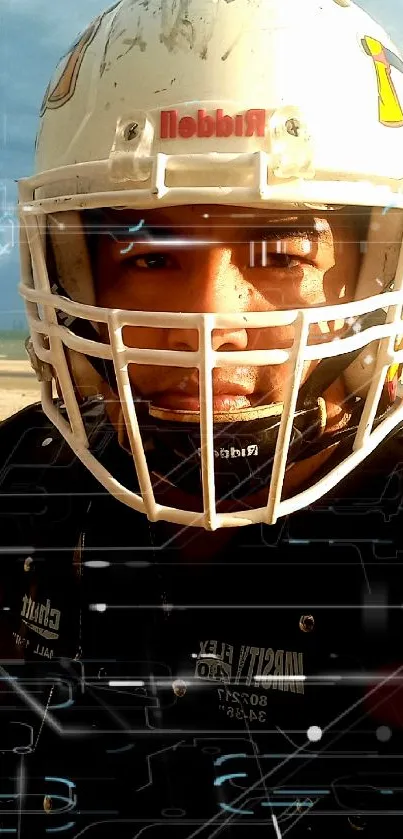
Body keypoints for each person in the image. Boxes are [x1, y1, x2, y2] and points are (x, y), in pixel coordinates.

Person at [1, 0, 403, 834]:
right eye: (149, 255)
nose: (212, 315)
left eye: (283, 252)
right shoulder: (26, 479)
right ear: (77, 271)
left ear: (376, 267)